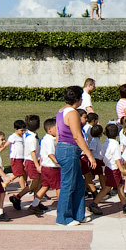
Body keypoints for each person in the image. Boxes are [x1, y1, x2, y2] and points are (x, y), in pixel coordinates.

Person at [54, 85, 97, 226]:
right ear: (78, 99)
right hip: (69, 149)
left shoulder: (60, 111)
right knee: (68, 184)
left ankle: (79, 214)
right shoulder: (72, 113)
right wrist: (89, 155)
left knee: (78, 183)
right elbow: (77, 136)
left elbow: (58, 134)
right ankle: (63, 218)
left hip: (63, 148)